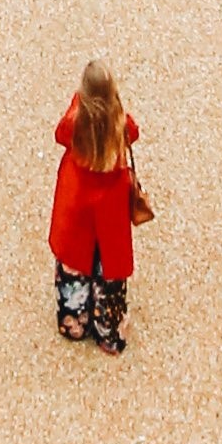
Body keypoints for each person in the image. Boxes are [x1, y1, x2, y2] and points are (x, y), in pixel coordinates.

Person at [50, 62, 146, 351]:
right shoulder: (120, 125)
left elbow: (60, 134)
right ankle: (108, 330)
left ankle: (74, 321)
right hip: (110, 206)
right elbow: (134, 131)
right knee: (108, 271)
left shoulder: (75, 122)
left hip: (77, 202)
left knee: (74, 265)